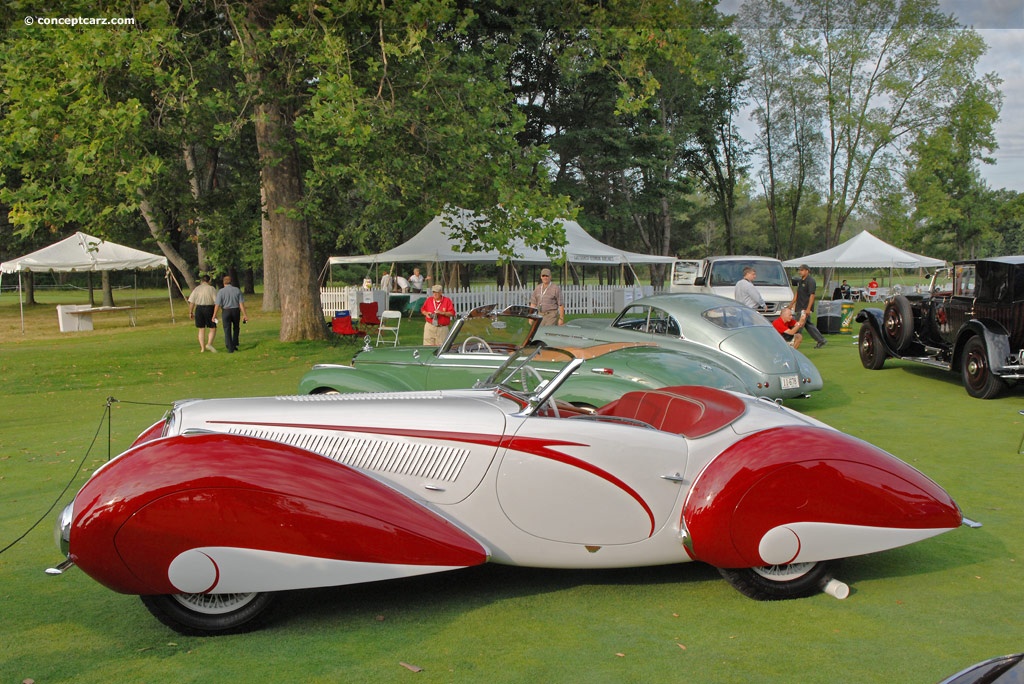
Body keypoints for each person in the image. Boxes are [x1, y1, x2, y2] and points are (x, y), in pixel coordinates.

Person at [791, 264, 827, 348]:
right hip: (799, 306)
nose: (800, 272)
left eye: (802, 270)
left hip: (805, 307)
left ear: (807, 271)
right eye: (799, 270)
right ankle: (821, 340)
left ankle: (794, 342)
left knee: (798, 325)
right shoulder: (800, 281)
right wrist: (792, 303)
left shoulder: (810, 281)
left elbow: (812, 295)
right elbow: (798, 293)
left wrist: (808, 308)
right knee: (808, 325)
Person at [213, 275, 248, 353]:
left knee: (227, 329)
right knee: (236, 327)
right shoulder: (237, 290)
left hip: (226, 311)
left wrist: (214, 315)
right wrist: (245, 315)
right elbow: (241, 304)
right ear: (231, 282)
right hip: (235, 310)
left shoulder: (221, 291)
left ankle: (229, 346)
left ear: (223, 282)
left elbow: (217, 304)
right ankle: (235, 343)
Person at [187, 274, 218, 353]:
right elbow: (216, 302)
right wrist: (215, 313)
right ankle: (209, 344)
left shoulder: (197, 289)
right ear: (209, 281)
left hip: (199, 309)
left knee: (201, 329)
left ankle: (202, 348)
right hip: (209, 308)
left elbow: (192, 302)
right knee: (212, 328)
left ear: (201, 281)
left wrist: (190, 312)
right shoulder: (211, 289)